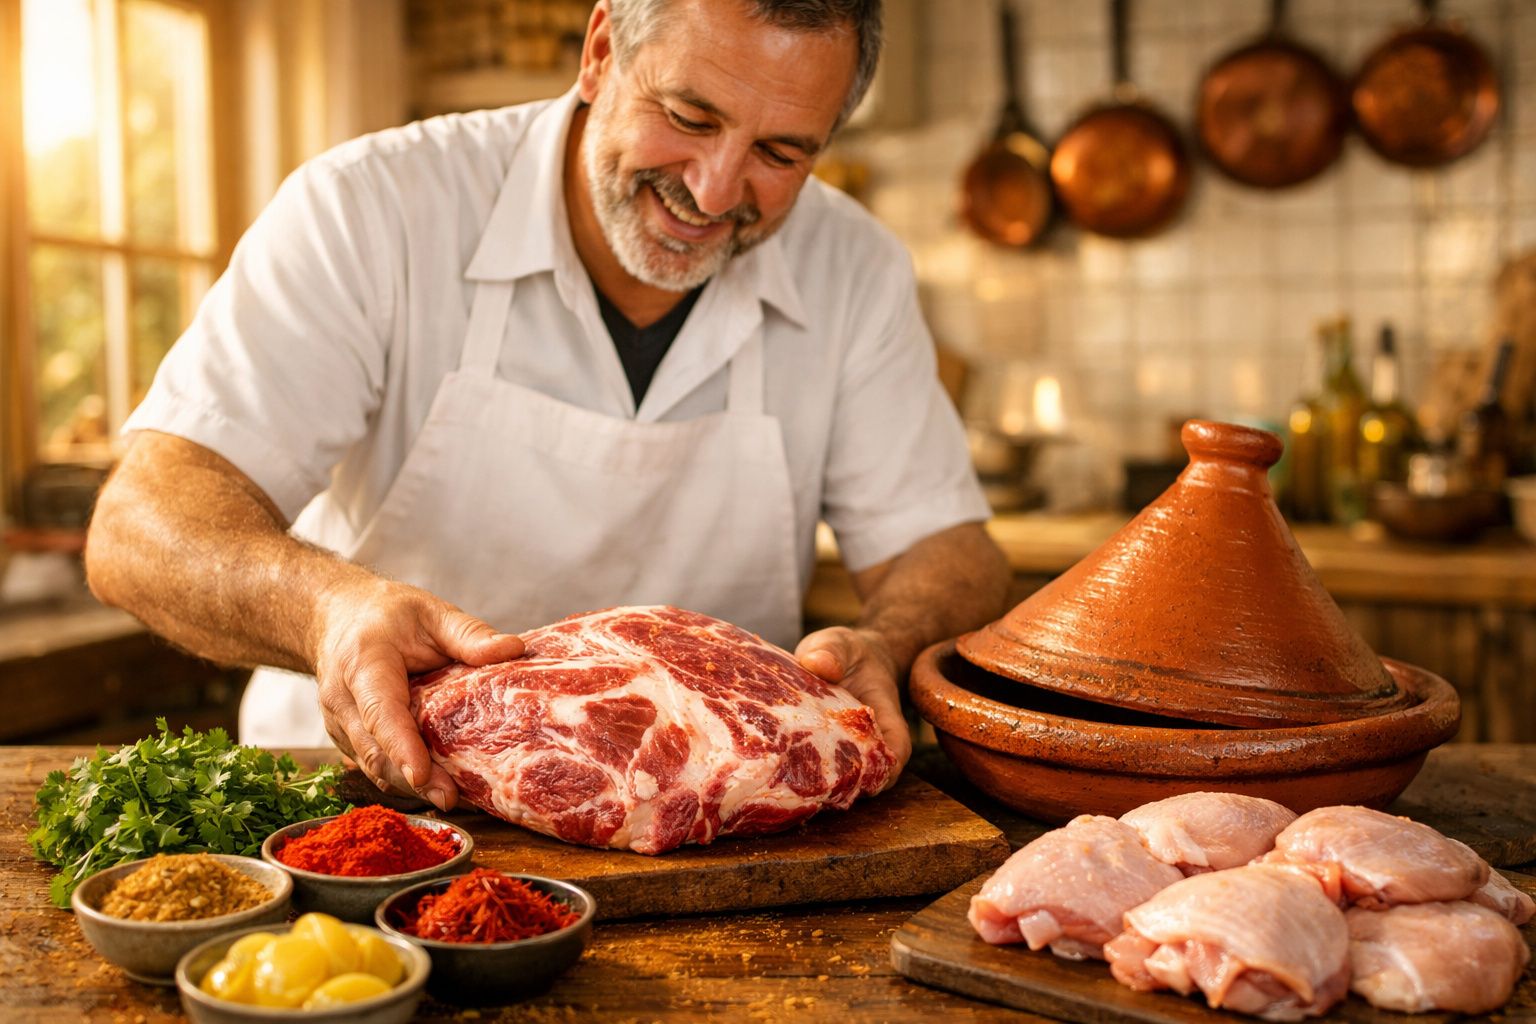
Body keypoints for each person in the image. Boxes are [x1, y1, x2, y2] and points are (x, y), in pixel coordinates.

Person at [84, 0, 1010, 811]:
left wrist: (891, 643)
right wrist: (329, 611)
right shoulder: (372, 207)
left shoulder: (854, 266)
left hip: (711, 813)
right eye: (689, 116)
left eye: (780, 152)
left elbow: (948, 550)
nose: (714, 189)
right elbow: (138, 526)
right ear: (601, 50)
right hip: (364, 799)